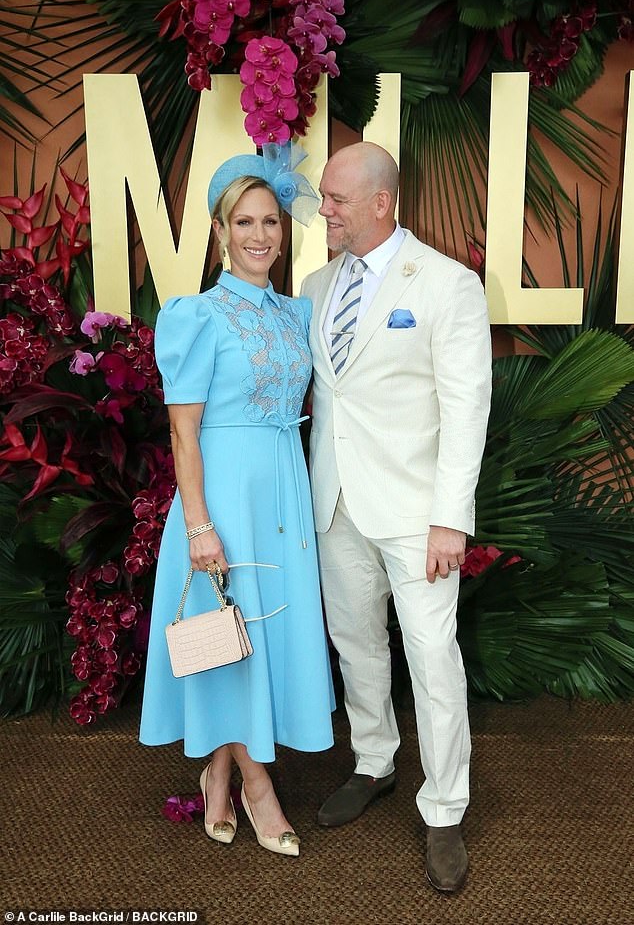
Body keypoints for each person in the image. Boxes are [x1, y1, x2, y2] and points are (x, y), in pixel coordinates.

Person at [300, 141, 492, 892]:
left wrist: (452, 518)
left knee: (432, 661)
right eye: (323, 198)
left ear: (382, 202)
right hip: (335, 503)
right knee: (355, 645)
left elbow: (466, 408)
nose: (325, 212)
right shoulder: (315, 286)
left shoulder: (448, 285)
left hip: (418, 515)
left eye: (336, 200)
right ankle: (374, 760)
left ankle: (445, 810)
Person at [140, 143, 335, 858]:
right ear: (220, 232)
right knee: (229, 635)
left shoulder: (294, 312)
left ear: (284, 231)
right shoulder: (195, 315)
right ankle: (258, 787)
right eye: (243, 223)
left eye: (271, 223)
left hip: (282, 489)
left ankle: (215, 774)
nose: (259, 236)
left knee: (250, 639)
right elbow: (182, 430)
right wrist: (198, 524)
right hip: (220, 495)